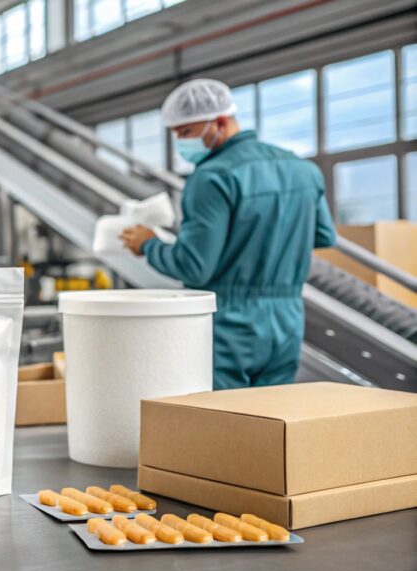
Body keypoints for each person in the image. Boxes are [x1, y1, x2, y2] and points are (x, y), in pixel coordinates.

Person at [119, 78, 337, 389]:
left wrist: (149, 244)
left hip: (229, 323)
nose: (181, 142)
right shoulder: (302, 169)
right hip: (287, 317)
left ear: (219, 122)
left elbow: (194, 266)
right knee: (274, 422)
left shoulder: (212, 177)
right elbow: (324, 236)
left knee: (224, 424)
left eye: (186, 132)